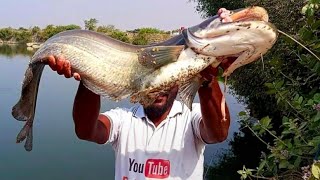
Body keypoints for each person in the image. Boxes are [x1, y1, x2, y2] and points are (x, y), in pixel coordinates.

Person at [45, 9, 232, 180]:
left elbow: (218, 133)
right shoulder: (124, 120)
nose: (159, 90)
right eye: (152, 83)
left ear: (179, 79)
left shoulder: (191, 117)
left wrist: (207, 81)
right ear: (138, 85)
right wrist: (89, 72)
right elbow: (86, 130)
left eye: (166, 81)